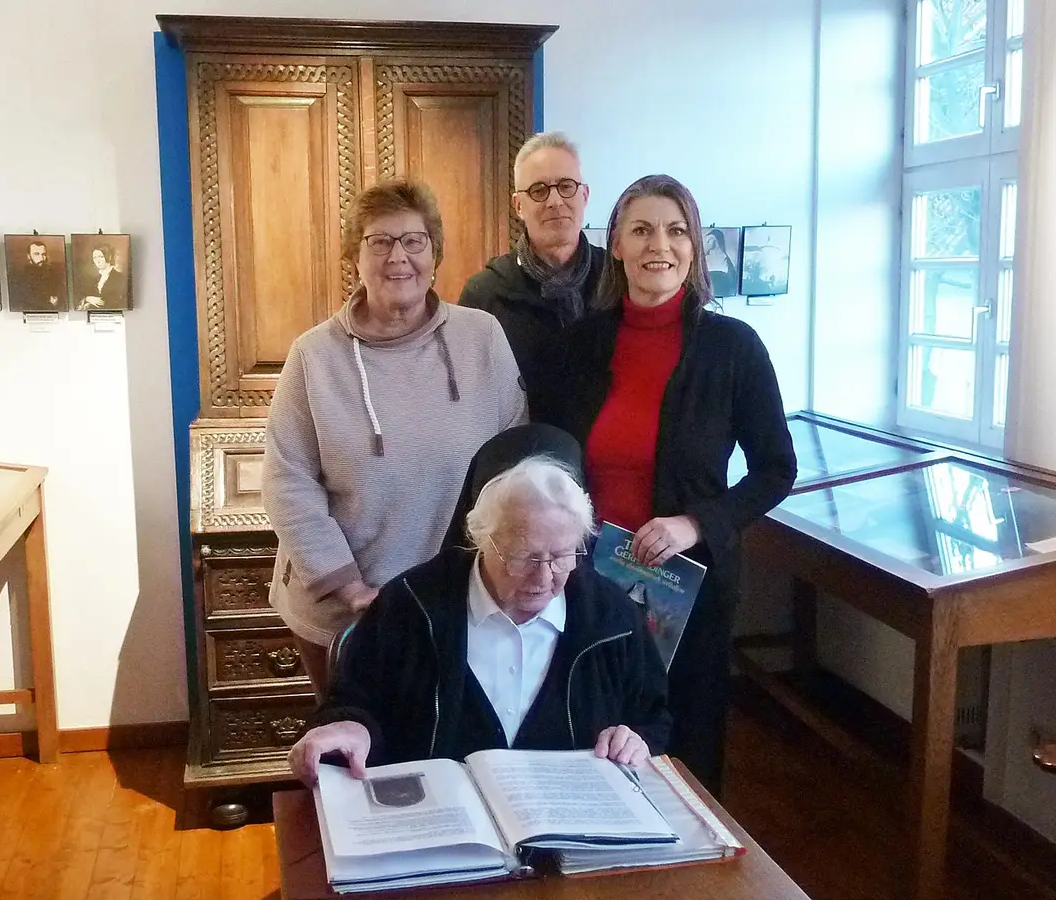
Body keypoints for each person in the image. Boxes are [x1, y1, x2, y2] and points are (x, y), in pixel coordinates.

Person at [534, 174, 796, 797]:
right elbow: (545, 456)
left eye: (677, 231)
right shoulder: (578, 347)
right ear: (615, 244)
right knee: (589, 736)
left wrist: (695, 522)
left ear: (694, 247)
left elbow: (776, 469)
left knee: (685, 750)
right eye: (643, 229)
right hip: (583, 582)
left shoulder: (733, 347)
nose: (662, 244)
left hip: (688, 585)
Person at [263, 177, 528, 694]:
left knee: (439, 744)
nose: (398, 256)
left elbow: (512, 462)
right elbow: (286, 479)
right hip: (343, 605)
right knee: (354, 745)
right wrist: (348, 586)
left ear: (434, 254)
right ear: (354, 257)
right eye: (379, 241)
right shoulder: (314, 355)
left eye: (414, 241)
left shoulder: (482, 339)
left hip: (454, 601)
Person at [287, 451, 670, 782]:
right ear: (482, 540)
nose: (544, 577)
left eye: (561, 557)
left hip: (571, 844)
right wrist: (352, 728)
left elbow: (653, 718)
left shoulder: (612, 618)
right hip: (439, 834)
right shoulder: (409, 606)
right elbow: (350, 702)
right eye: (524, 557)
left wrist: (637, 738)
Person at [459, 131, 603, 411]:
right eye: (538, 190)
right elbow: (470, 401)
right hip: (524, 450)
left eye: (566, 186)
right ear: (518, 206)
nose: (555, 201)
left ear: (584, 195)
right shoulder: (484, 296)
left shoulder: (618, 280)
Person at [11, 239, 66, 311]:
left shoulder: (53, 275)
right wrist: (48, 300)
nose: (41, 258)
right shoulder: (21, 278)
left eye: (43, 254)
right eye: (36, 254)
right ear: (28, 256)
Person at [78, 243, 126, 309]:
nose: (98, 261)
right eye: (95, 258)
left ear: (109, 257)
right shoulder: (96, 279)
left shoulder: (119, 277)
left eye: (101, 257)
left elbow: (118, 302)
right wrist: (87, 299)